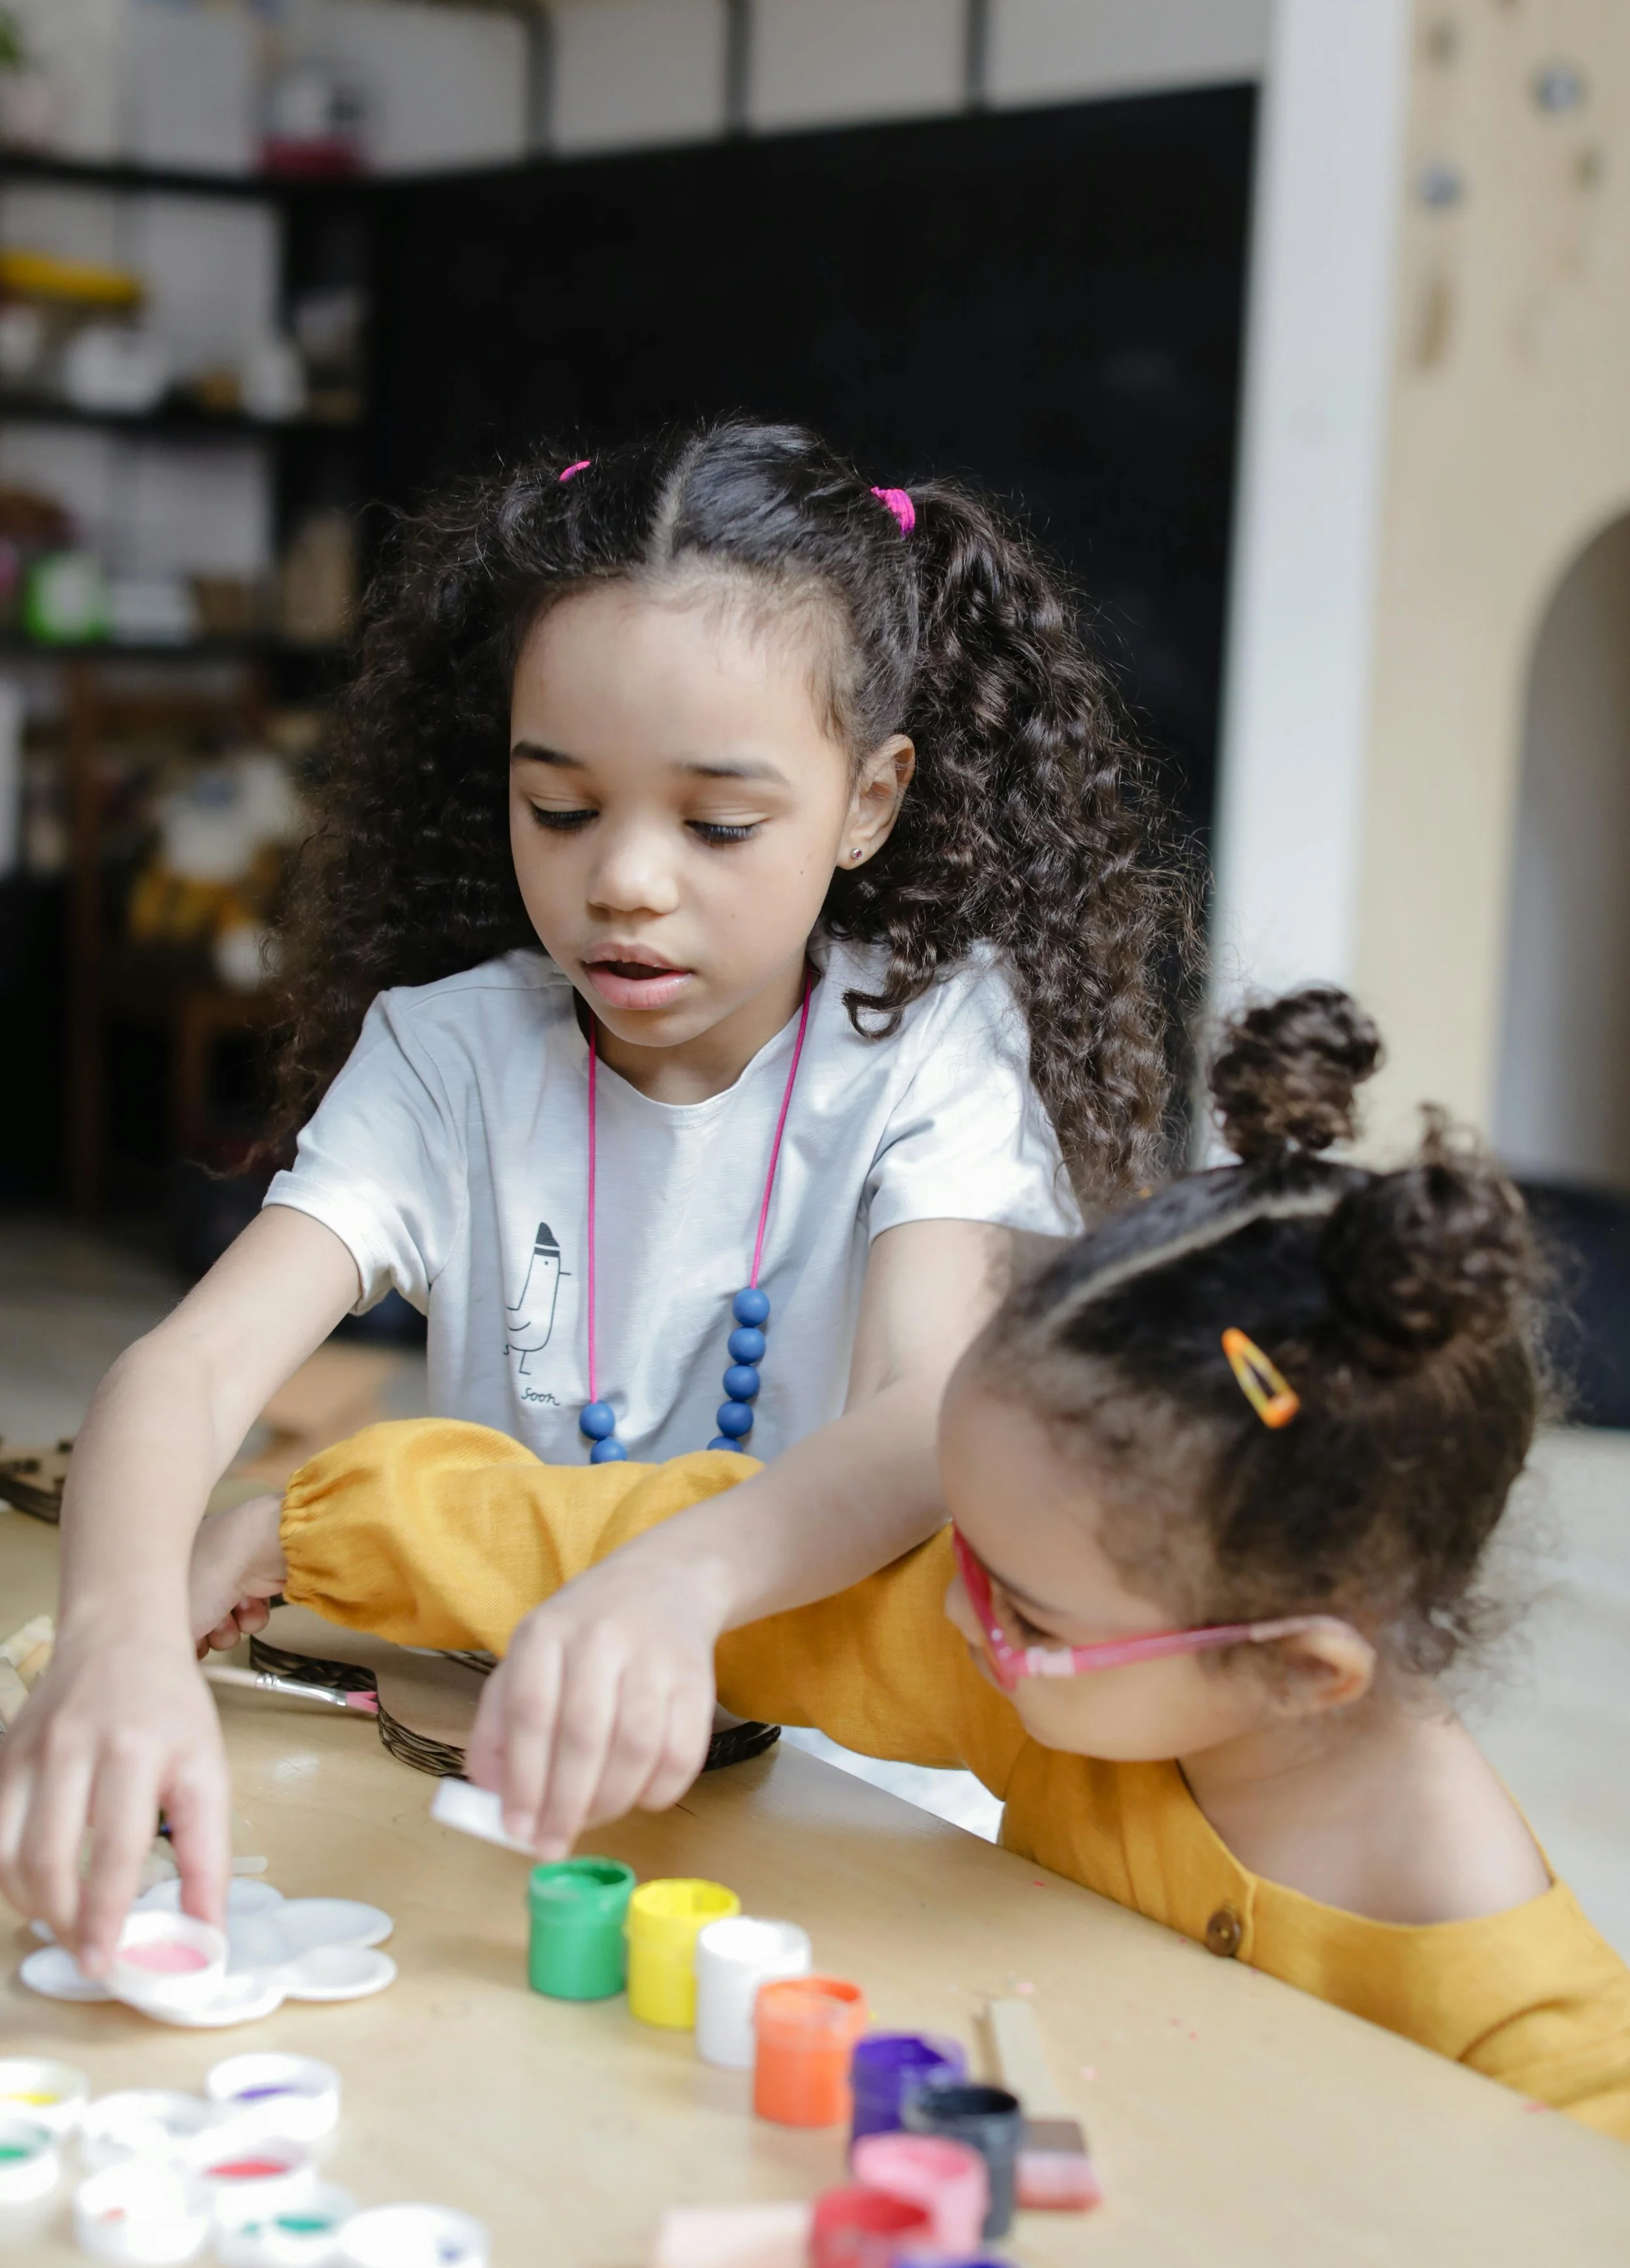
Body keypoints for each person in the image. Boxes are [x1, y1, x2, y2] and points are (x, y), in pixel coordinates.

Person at [0, 421, 1186, 1968]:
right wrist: (115, 1637)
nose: (623, 879)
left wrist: (673, 1584)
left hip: (839, 1810)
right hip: (515, 1773)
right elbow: (188, 1370)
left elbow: (924, 1416)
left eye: (715, 823)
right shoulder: (451, 1059)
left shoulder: (917, 1049)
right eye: (559, 808)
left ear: (870, 801)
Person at [242, 989, 1630, 2134]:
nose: (958, 1616)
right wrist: (309, 1530)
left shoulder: (1536, 2039)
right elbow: (680, 1536)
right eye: (964, 1550)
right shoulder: (1074, 1684)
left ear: (1298, 1666)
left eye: (1020, 1606)